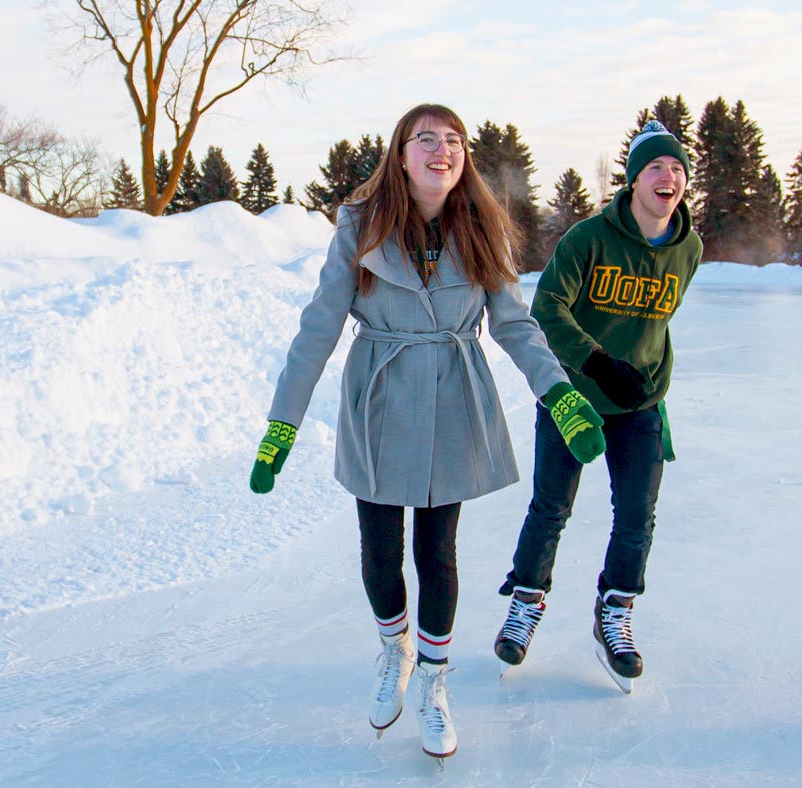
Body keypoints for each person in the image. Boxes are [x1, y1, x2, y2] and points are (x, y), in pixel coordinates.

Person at [248, 103, 606, 762]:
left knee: (437, 552)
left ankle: (435, 684)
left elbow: (515, 324)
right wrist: (282, 422)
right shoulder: (359, 225)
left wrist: (559, 394)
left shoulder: (483, 228)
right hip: (379, 396)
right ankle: (396, 649)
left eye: (454, 141)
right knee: (380, 550)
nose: (442, 151)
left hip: (451, 392)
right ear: (401, 154)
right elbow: (320, 325)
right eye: (426, 140)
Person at [493, 120, 702, 693]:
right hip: (574, 396)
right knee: (550, 509)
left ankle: (616, 612)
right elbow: (548, 309)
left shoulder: (689, 248)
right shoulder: (587, 240)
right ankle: (527, 601)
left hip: (641, 405)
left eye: (678, 169)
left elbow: (658, 323)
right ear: (634, 180)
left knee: (637, 516)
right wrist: (599, 362)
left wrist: (649, 376)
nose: (669, 177)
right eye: (656, 167)